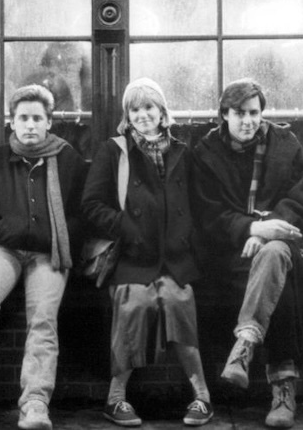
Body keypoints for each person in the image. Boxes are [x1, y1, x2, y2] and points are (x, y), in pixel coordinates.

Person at [82, 78, 213, 428]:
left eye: (149, 108)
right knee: (134, 304)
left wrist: (189, 244)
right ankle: (116, 398)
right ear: (128, 115)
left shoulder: (182, 152)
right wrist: (124, 225)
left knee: (177, 301)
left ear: (162, 112)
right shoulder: (114, 151)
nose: (143, 115)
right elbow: (91, 204)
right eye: (135, 109)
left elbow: (198, 205)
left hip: (174, 256)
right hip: (132, 257)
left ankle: (202, 396)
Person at [0, 85, 87, 430]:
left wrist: (54, 236)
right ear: (12, 122)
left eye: (37, 118)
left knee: (43, 315)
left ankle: (35, 403)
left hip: (50, 252)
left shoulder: (68, 159)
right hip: (4, 248)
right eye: (23, 118)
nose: (30, 125)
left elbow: (81, 213)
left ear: (48, 122)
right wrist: (4, 232)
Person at [192, 79, 303, 428]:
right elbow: (206, 211)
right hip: (230, 249)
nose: (248, 121)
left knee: (277, 255)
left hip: (285, 240)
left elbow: (301, 197)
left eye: (254, 113)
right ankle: (282, 389)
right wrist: (249, 228)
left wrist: (269, 229)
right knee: (277, 272)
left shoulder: (285, 143)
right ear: (223, 115)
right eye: (239, 113)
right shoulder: (205, 152)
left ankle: (245, 346)